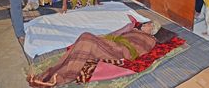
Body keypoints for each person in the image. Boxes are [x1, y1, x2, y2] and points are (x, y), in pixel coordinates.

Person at [27, 17, 161, 87]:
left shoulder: (151, 39)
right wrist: (127, 28)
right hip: (114, 44)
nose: (145, 24)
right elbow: (115, 34)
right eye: (146, 23)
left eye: (149, 24)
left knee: (87, 39)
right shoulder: (134, 30)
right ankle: (49, 74)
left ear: (153, 29)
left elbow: (139, 51)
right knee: (84, 41)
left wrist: (125, 48)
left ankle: (60, 79)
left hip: (120, 50)